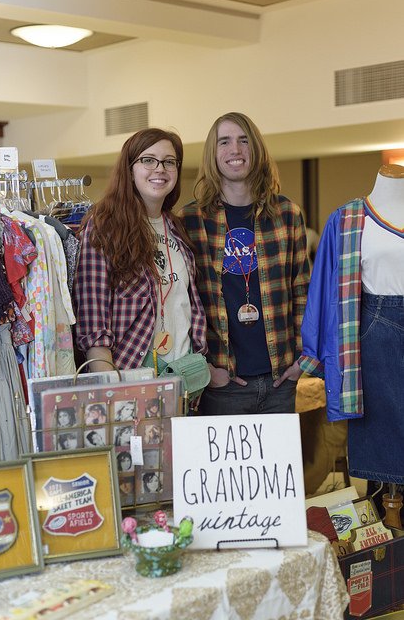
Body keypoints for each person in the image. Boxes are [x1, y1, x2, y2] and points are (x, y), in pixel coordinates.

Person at [179, 112, 310, 416]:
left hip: (281, 381)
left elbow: (302, 291)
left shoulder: (287, 214)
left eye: (243, 141)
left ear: (257, 150)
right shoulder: (190, 221)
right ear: (213, 154)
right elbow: (183, 302)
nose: (235, 150)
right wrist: (207, 369)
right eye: (224, 142)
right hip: (224, 385)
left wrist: (302, 360)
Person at [299, 164, 404, 495]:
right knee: (383, 455)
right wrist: (313, 357)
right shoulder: (347, 220)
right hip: (376, 338)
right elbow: (324, 293)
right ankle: (388, 542)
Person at [73, 128, 207, 376]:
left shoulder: (176, 227)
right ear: (130, 169)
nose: (160, 169)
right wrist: (110, 387)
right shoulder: (103, 225)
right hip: (130, 373)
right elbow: (94, 323)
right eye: (148, 160)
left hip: (184, 373)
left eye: (169, 162)